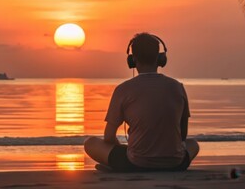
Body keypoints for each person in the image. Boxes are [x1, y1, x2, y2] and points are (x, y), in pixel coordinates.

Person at [84, 33, 199, 172]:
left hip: (136, 164)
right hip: (176, 163)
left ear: (132, 60)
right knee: (193, 144)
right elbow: (183, 135)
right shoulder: (177, 87)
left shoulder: (123, 89)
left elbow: (108, 137)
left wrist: (122, 150)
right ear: (160, 58)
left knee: (90, 143)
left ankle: (117, 165)